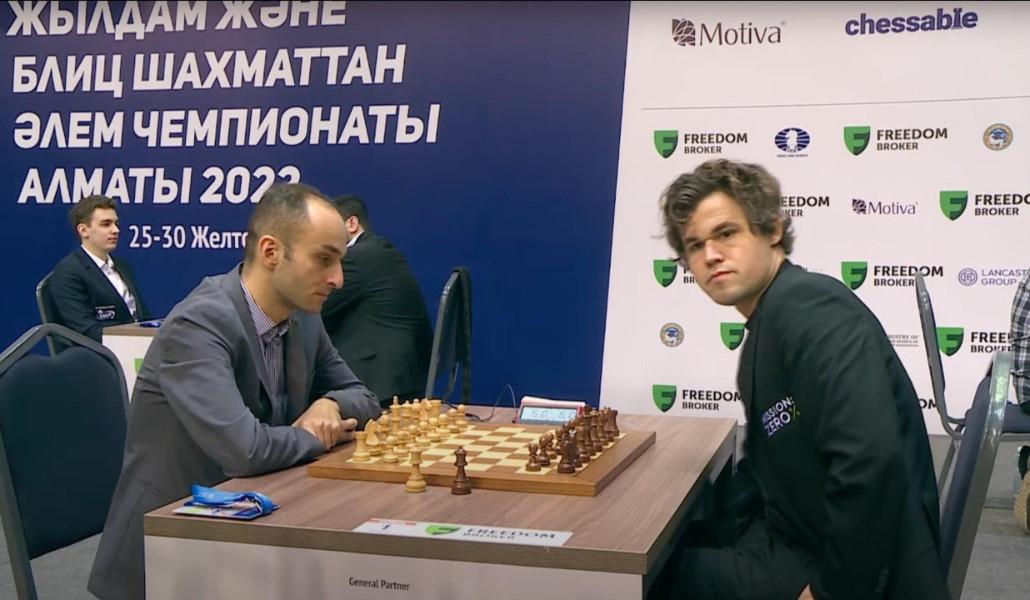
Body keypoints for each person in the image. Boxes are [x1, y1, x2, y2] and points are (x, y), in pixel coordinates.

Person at [651, 159, 948, 599]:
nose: (710, 255)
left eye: (726, 233)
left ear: (772, 230)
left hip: (863, 574)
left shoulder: (810, 308)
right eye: (695, 245)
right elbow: (762, 471)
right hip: (800, 539)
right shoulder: (768, 324)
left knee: (647, 578)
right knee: (668, 551)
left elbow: (869, 460)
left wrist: (829, 592)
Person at [88, 183, 381, 600]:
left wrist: (328, 403)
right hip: (171, 551)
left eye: (340, 261)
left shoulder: (304, 318)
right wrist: (317, 435)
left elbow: (363, 397)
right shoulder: (199, 324)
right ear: (271, 251)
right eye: (323, 259)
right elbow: (245, 450)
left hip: (251, 529)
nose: (338, 279)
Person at [321, 194, 432, 405]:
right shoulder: (379, 249)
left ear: (352, 224)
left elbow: (316, 308)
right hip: (405, 375)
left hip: (379, 379)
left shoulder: (357, 257)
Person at [48, 195, 150, 345]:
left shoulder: (122, 265)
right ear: (83, 230)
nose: (115, 230)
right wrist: (133, 343)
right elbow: (87, 331)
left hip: (139, 346)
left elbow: (144, 316)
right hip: (101, 353)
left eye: (116, 224)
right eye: (106, 224)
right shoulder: (68, 273)